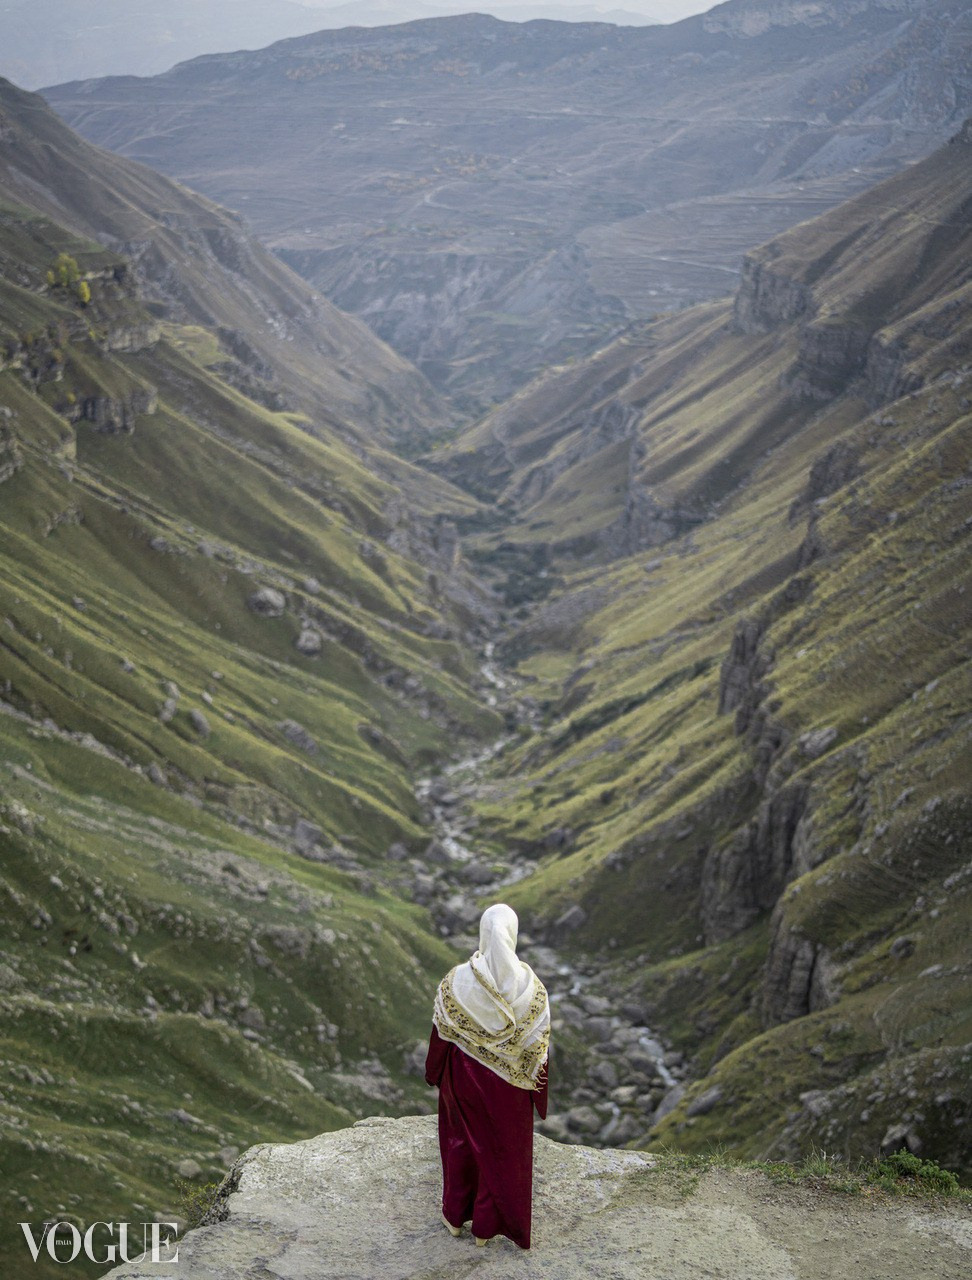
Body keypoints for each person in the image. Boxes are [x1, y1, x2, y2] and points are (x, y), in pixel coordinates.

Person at [424, 902, 550, 1250]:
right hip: (507, 1090)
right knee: (501, 1153)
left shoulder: (456, 981)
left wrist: (434, 1072)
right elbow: (538, 1049)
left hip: (461, 1080)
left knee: (460, 1143)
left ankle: (454, 1216)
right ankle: (485, 1227)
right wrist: (539, 1097)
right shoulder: (532, 989)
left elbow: (441, 1033)